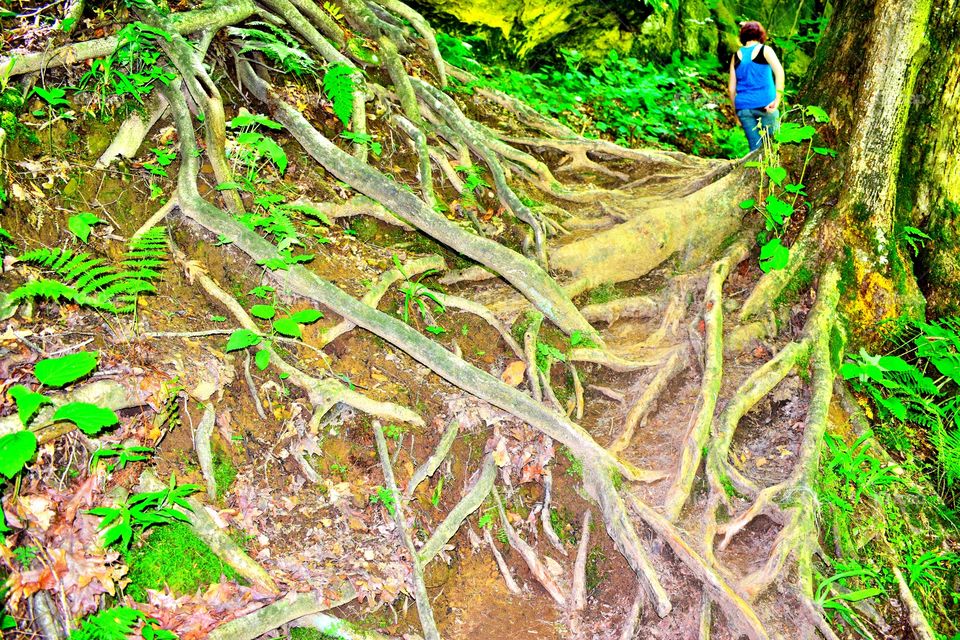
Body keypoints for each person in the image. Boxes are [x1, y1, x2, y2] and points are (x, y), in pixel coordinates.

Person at [728, 21, 785, 152]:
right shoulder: (765, 50)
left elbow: (731, 89)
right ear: (760, 35)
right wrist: (777, 100)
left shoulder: (735, 56)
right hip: (766, 105)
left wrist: (736, 113)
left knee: (755, 150)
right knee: (774, 147)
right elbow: (779, 72)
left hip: (743, 108)